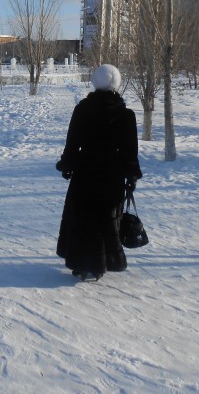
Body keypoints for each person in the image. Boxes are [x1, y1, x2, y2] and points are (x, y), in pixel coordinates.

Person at [55, 64, 142, 281]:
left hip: (85, 170)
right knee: (106, 219)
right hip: (112, 174)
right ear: (117, 84)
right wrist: (131, 175)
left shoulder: (82, 109)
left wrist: (67, 165)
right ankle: (101, 264)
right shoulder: (125, 115)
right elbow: (130, 151)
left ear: (95, 82)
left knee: (83, 218)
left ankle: (81, 264)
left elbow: (73, 143)